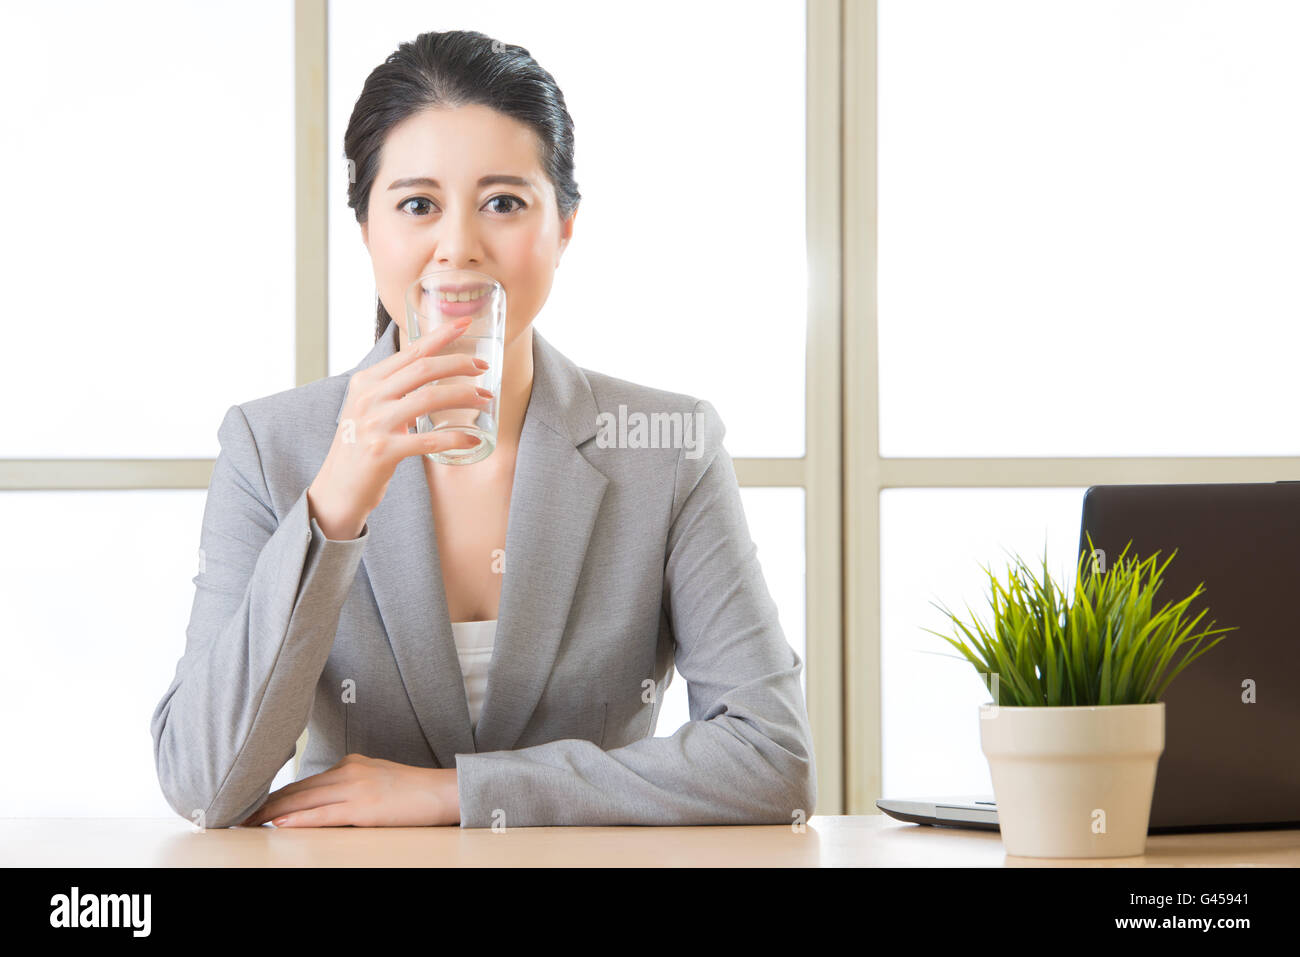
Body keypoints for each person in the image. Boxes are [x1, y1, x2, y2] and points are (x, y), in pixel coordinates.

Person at [150, 29, 816, 829]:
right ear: (366, 227)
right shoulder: (271, 448)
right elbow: (202, 784)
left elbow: (772, 759)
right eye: (417, 205)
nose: (458, 247)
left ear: (564, 226)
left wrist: (458, 792)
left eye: (503, 202)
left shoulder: (669, 448)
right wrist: (334, 503)